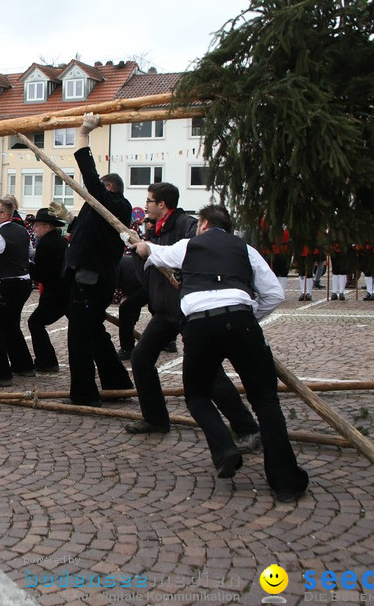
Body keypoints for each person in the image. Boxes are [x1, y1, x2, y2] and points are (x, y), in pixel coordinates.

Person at [136, 204, 308, 502]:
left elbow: (152, 251)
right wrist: (248, 317)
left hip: (199, 324)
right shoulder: (246, 249)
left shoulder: (188, 245)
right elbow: (274, 294)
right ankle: (286, 483)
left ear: (202, 224)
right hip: (241, 319)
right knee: (266, 402)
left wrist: (139, 245)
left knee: (197, 396)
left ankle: (225, 449)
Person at [123, 183, 260, 447]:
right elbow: (148, 272)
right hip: (165, 310)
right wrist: (139, 251)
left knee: (212, 374)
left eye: (149, 201)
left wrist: (180, 274)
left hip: (190, 309)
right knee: (141, 358)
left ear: (162, 204)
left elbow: (199, 253)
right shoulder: (154, 230)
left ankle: (246, 428)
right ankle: (155, 419)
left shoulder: (186, 224)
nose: (146, 205)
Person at [62, 113, 135, 406]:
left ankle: (84, 395)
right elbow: (89, 232)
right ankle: (117, 382)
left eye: (100, 189)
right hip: (88, 276)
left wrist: (83, 137)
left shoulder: (115, 202)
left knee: (79, 337)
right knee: (93, 332)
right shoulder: (103, 208)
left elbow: (91, 181)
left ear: (109, 189)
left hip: (91, 279)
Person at [0, 196, 34, 386]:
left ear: (4, 215)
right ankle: (23, 366)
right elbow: (29, 253)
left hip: (9, 284)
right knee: (10, 325)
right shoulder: (23, 231)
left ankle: (0, 374)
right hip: (24, 282)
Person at [27, 207, 68, 373]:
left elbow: (42, 274)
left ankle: (46, 361)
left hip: (56, 293)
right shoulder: (59, 241)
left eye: (36, 225)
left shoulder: (47, 244)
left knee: (35, 322)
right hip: (64, 292)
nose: (34, 228)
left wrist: (27, 265)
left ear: (47, 226)